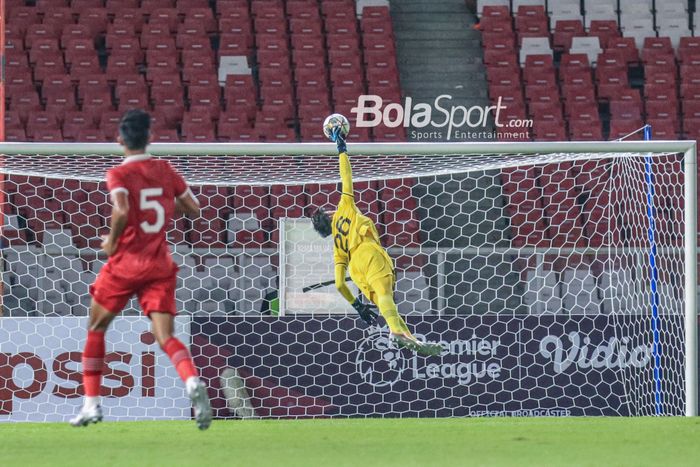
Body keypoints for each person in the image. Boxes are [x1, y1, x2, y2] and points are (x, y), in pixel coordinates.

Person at [70, 109, 212, 430]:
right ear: (150, 138)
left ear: (120, 140)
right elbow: (194, 209)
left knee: (96, 327)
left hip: (125, 263)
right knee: (165, 337)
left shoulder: (118, 174)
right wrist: (162, 204)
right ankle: (191, 381)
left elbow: (120, 210)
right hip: (159, 264)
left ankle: (91, 405)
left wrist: (111, 242)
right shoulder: (165, 169)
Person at [311, 126, 441, 356]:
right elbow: (346, 177)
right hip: (367, 252)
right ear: (329, 215)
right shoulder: (344, 209)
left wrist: (358, 307)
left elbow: (340, 284)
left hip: (355, 266)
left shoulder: (337, 247)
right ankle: (396, 332)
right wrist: (341, 149)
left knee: (385, 302)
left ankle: (411, 339)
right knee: (385, 295)